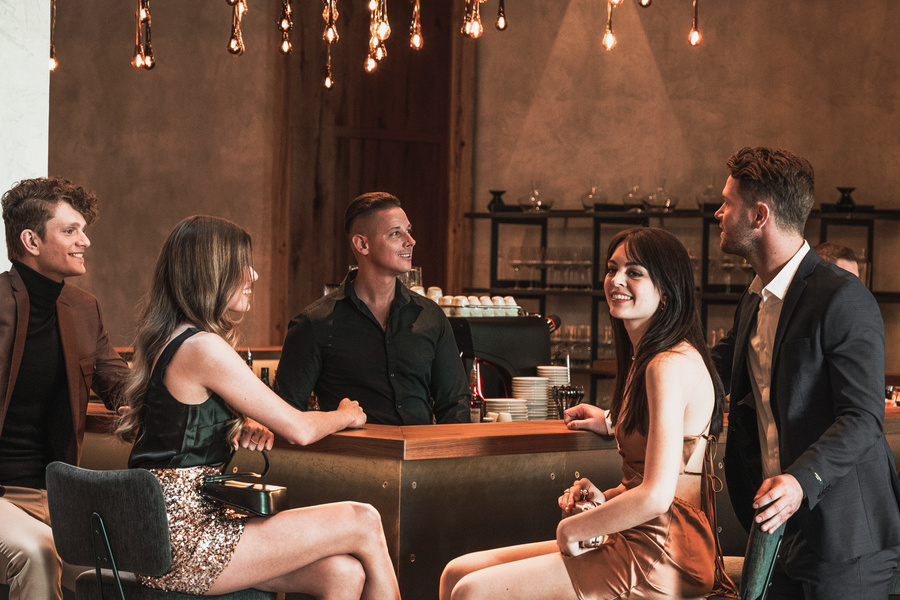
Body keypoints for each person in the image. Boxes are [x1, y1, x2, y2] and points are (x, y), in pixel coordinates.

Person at [440, 227, 735, 600]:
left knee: (471, 591)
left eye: (635, 272)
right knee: (457, 572)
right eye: (613, 269)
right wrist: (603, 499)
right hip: (646, 536)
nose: (617, 280)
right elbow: (651, 483)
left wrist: (573, 529)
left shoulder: (666, 365)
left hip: (662, 553)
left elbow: (658, 497)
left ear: (667, 290)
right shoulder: (651, 359)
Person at [115, 215, 401, 599]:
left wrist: (235, 425)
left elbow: (181, 426)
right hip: (185, 540)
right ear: (212, 272)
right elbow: (299, 429)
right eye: (242, 265)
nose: (254, 274)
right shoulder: (203, 347)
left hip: (157, 533)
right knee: (363, 519)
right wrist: (347, 413)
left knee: (342, 574)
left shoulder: (169, 338)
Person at [712, 146, 900, 599]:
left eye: (727, 203)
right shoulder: (754, 298)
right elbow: (704, 372)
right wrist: (618, 418)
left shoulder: (843, 297)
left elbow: (861, 418)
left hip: (845, 542)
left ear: (760, 215)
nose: (718, 212)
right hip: (780, 532)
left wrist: (801, 481)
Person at [0, 176, 129, 599]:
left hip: (57, 497)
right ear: (31, 240)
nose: (84, 241)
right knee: (37, 554)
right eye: (70, 230)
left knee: (142, 559)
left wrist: (222, 404)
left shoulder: (84, 308)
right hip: (3, 492)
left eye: (83, 230)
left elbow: (123, 388)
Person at [274, 192, 469, 425]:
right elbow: (285, 413)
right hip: (354, 459)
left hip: (422, 458)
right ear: (362, 244)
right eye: (396, 233)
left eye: (409, 230)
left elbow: (455, 404)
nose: (411, 240)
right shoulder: (313, 323)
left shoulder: (430, 316)